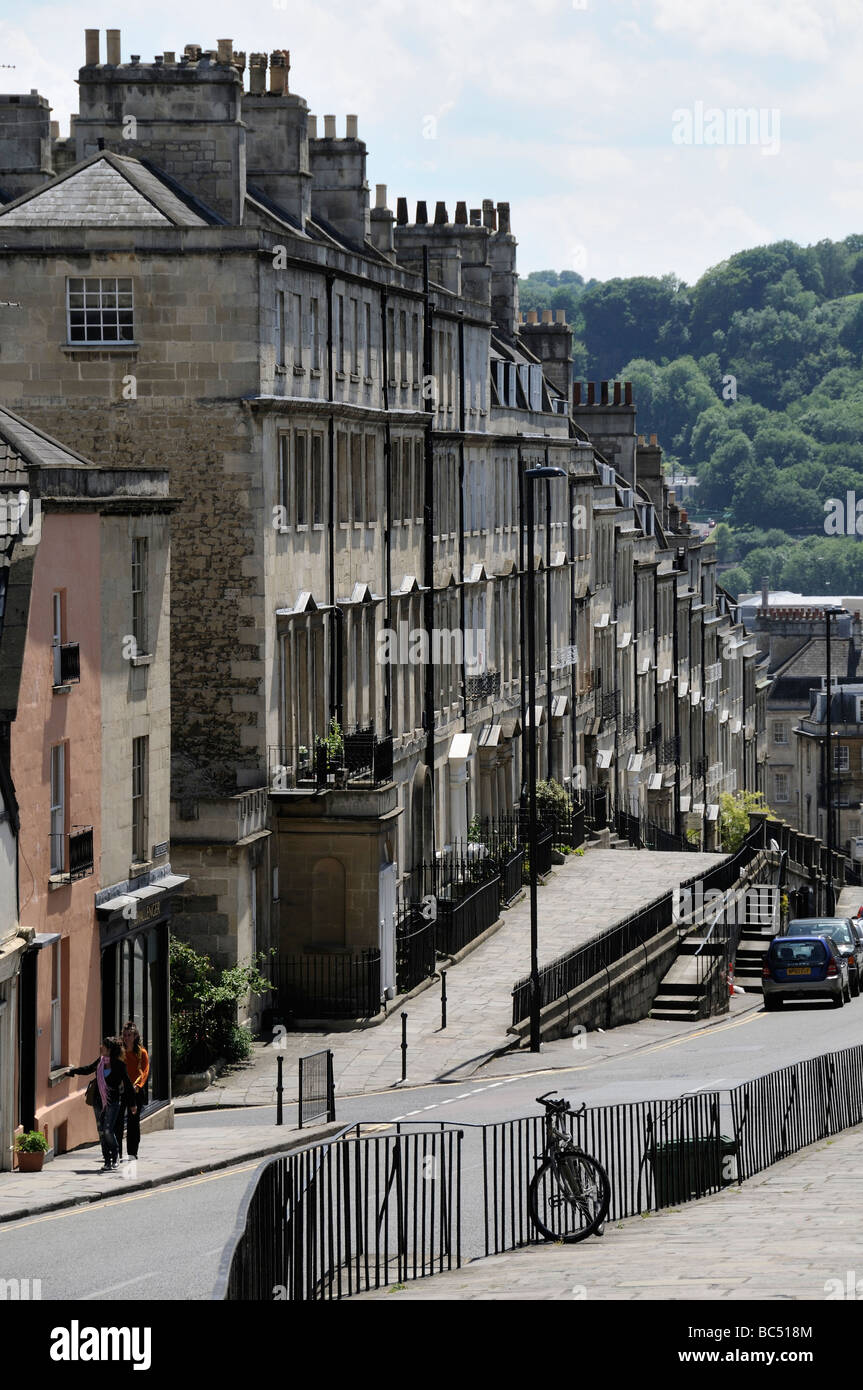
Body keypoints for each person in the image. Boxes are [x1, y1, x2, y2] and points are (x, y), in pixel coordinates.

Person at [67, 1037, 137, 1172]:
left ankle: (115, 1155)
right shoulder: (100, 1062)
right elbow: (87, 1069)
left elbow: (128, 1085)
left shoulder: (119, 1065)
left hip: (113, 1102)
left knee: (108, 1130)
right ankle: (107, 1160)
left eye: (103, 1045)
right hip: (98, 1101)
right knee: (101, 1132)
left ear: (109, 1049)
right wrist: (72, 1071)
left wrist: (132, 1104)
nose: (100, 1047)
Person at [115, 1021, 149, 1161]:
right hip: (121, 1090)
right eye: (124, 1035)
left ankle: (132, 1153)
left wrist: (138, 1085)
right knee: (117, 1122)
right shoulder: (119, 1052)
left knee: (133, 1123)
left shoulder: (141, 1053)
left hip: (135, 1091)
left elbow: (145, 1072)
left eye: (129, 1035)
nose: (126, 1037)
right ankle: (117, 1153)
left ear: (135, 1036)